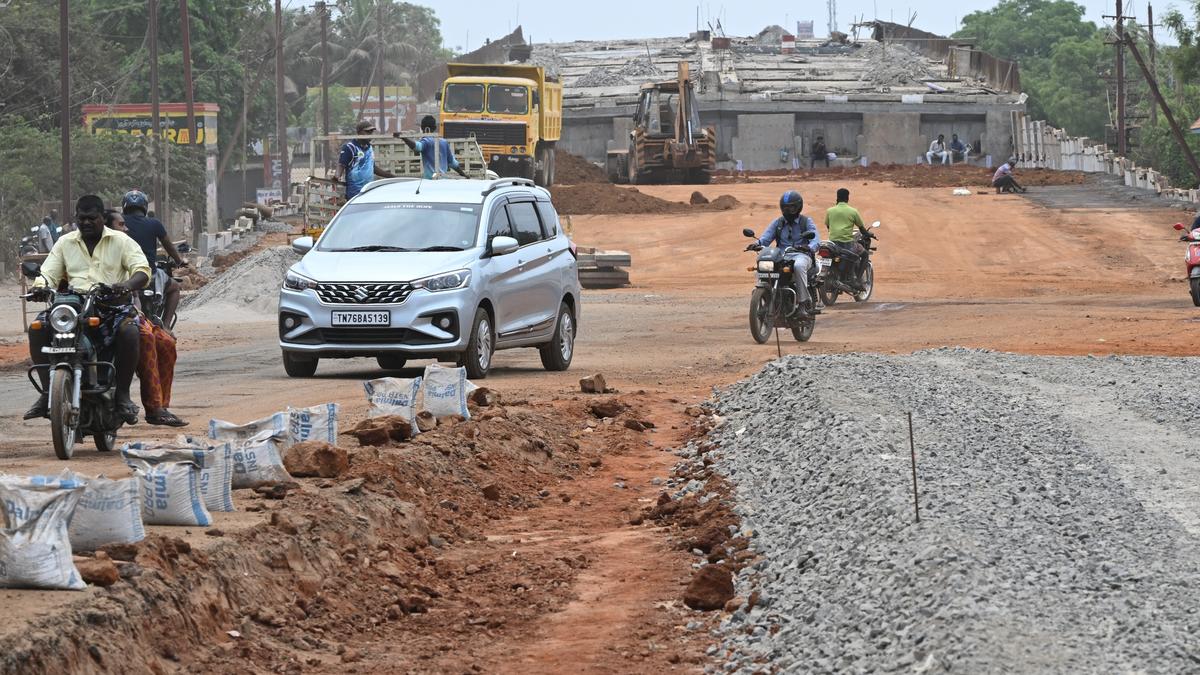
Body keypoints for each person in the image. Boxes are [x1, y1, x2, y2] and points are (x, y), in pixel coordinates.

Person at [25, 195, 150, 423]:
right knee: (37, 327)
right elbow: (48, 272)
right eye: (81, 218)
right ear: (76, 218)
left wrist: (126, 285)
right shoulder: (65, 242)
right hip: (73, 305)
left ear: (103, 217)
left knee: (130, 331)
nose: (86, 223)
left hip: (111, 306)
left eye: (92, 218)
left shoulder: (121, 241)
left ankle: (122, 395)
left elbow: (142, 270)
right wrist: (40, 287)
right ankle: (46, 394)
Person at [104, 208, 185, 426]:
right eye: (121, 225)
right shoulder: (78, 246)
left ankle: (159, 406)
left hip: (128, 313)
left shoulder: (127, 247)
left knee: (166, 343)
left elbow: (140, 273)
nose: (127, 228)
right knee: (146, 336)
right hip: (101, 315)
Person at [121, 190, 189, 329]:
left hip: (125, 274)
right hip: (148, 274)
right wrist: (178, 261)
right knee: (175, 288)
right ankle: (166, 326)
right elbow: (169, 246)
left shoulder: (118, 224)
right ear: (144, 207)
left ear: (125, 206)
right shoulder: (154, 224)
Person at [749, 190, 820, 318]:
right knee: (763, 267)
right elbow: (765, 238)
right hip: (781, 256)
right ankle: (766, 296)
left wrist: (809, 247)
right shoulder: (778, 222)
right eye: (785, 208)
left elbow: (815, 240)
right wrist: (757, 243)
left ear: (798, 206)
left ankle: (803, 304)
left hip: (801, 255)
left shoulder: (806, 222)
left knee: (799, 266)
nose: (788, 211)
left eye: (791, 207)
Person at [336, 120, 395, 199]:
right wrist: (337, 176)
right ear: (360, 132)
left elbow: (372, 167)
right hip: (355, 192)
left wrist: (390, 176)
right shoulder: (350, 147)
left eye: (371, 132)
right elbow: (341, 164)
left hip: (369, 191)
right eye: (368, 132)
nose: (370, 134)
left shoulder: (369, 148)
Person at [823, 187, 868, 293]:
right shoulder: (853, 211)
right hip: (847, 244)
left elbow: (828, 226)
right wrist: (868, 234)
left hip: (832, 244)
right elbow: (862, 229)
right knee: (865, 254)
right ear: (847, 198)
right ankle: (857, 280)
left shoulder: (830, 211)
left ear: (837, 198)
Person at [401, 115, 469, 179]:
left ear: (421, 127)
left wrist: (404, 138)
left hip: (430, 180)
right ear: (435, 127)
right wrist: (464, 175)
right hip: (443, 179)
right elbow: (452, 163)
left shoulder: (426, 141)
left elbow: (417, 147)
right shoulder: (444, 142)